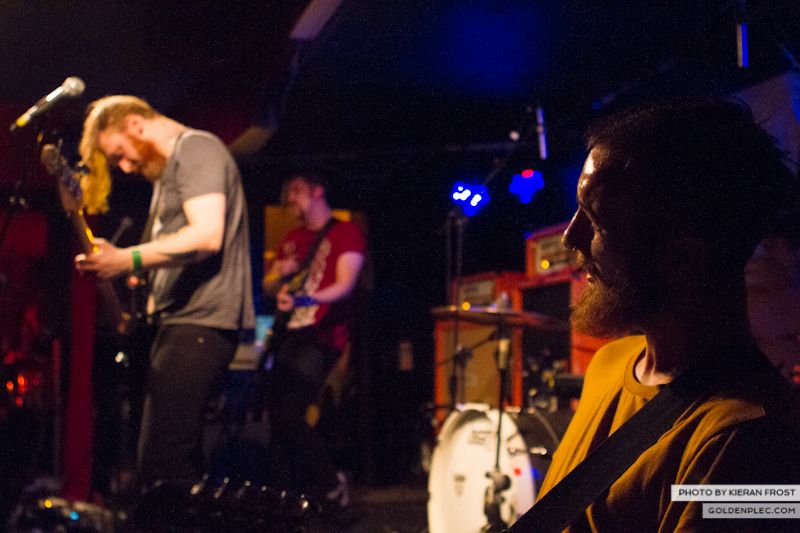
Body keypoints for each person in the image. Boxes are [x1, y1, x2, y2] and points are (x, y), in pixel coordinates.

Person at [530, 99, 800, 531]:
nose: (569, 237)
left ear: (683, 258)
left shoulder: (754, 441)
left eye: (597, 223)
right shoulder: (610, 363)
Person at [73, 95, 255, 487]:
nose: (125, 166)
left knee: (163, 463)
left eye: (121, 153)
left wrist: (127, 259)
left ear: (136, 125)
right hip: (181, 321)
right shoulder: (168, 174)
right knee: (172, 463)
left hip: (201, 323)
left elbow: (207, 236)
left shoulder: (196, 148)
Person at [262, 172, 365, 508]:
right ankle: (284, 497)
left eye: (295, 190)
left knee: (290, 412)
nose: (289, 198)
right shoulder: (292, 238)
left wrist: (306, 300)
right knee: (277, 417)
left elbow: (345, 285)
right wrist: (281, 277)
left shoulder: (346, 232)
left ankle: (331, 482)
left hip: (323, 337)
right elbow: (270, 287)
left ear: (318, 189)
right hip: (291, 335)